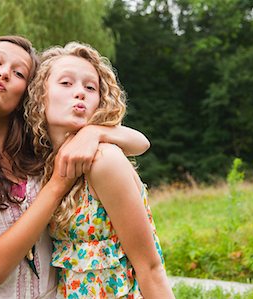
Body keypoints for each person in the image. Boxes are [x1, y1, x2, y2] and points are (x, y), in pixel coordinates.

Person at [0, 36, 150, 299]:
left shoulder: (37, 154)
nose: (3, 73)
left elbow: (139, 142)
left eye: (19, 73)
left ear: (27, 93)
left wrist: (92, 132)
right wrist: (58, 183)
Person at [26, 42, 174, 298]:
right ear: (39, 94)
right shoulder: (41, 165)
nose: (80, 92)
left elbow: (150, 268)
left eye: (90, 87)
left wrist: (96, 131)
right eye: (66, 83)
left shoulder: (103, 160)